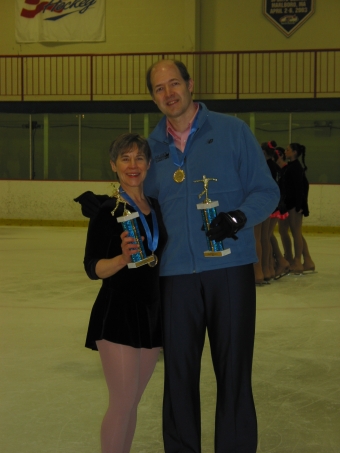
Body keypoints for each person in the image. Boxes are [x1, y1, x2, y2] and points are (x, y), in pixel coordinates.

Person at [144, 59, 280, 453]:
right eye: (159, 88)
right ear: (152, 97)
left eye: (174, 83)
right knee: (179, 377)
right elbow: (142, 206)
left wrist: (238, 216)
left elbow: (266, 192)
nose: (169, 93)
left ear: (190, 84)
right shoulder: (151, 148)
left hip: (229, 271)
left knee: (234, 372)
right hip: (174, 277)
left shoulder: (232, 131)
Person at [76, 133, 167, 453]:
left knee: (132, 403)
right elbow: (92, 267)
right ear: (113, 165)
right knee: (123, 401)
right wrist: (121, 259)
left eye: (140, 158)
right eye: (125, 159)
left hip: (151, 314)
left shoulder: (155, 206)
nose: (133, 165)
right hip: (118, 314)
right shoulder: (107, 210)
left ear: (149, 164)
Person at [279, 142, 315, 274]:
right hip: (291, 204)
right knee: (296, 232)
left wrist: (300, 206)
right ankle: (308, 260)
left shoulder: (296, 167)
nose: (285, 151)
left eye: (288, 150)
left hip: (295, 205)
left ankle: (298, 261)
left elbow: (300, 188)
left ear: (294, 152)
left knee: (296, 232)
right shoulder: (291, 166)